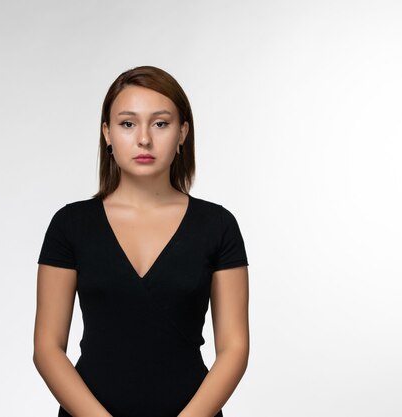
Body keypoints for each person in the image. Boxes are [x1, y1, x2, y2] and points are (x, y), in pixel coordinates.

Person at [33, 65, 250, 417]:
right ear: (107, 133)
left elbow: (234, 348)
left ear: (183, 133)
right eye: (128, 123)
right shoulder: (70, 225)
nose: (144, 138)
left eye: (161, 123)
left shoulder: (218, 226)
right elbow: (47, 347)